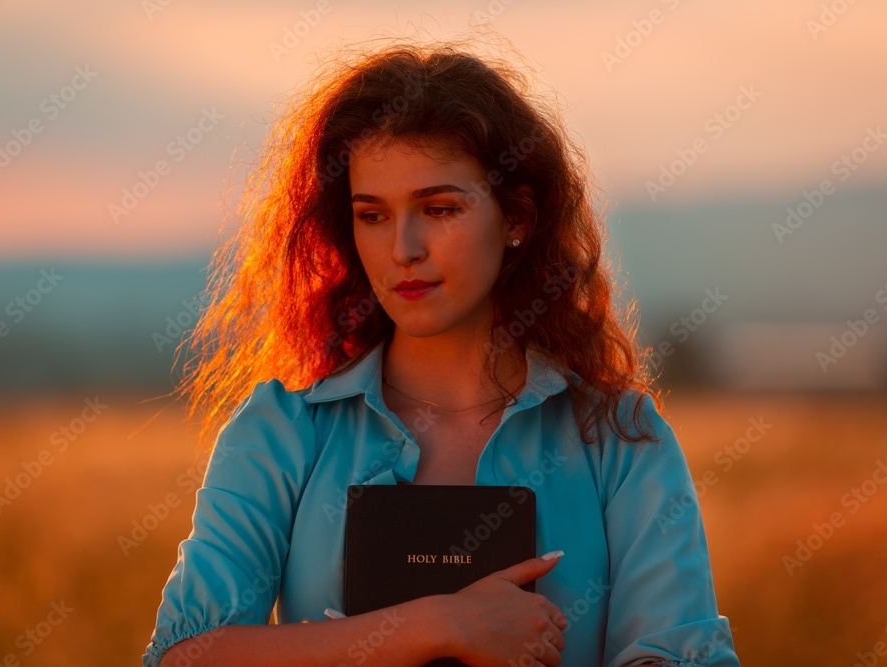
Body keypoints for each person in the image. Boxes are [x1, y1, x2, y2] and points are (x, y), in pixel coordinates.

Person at [142, 32, 740, 667]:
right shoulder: (282, 435)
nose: (404, 248)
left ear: (517, 218)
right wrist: (433, 624)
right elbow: (182, 657)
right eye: (372, 215)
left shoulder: (620, 443)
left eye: (440, 208)